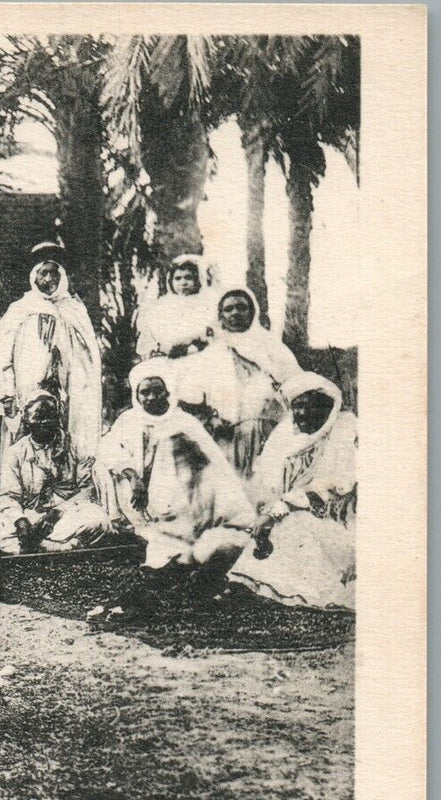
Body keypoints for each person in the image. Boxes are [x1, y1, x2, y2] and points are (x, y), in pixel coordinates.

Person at [93, 360, 255, 618]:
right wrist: (132, 475)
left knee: (174, 545)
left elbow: (212, 465)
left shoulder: (184, 422)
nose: (152, 397)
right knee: (104, 464)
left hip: (179, 497)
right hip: (138, 495)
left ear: (168, 391)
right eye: (144, 392)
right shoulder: (129, 419)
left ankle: (158, 580)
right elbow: (108, 448)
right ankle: (133, 532)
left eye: (158, 390)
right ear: (136, 395)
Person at [229, 373, 356, 610]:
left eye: (310, 407)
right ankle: (253, 583)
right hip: (289, 511)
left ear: (326, 406)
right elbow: (267, 484)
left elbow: (328, 487)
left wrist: (278, 509)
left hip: (338, 522)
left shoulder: (344, 430)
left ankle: (272, 588)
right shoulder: (287, 435)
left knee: (293, 525)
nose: (302, 414)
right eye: (297, 407)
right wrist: (265, 510)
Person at [0, 242, 102, 462]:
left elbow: (88, 359)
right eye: (44, 273)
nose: (50, 279)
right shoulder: (20, 309)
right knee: (25, 444)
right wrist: (6, 392)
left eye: (55, 273)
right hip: (27, 389)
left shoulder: (74, 309)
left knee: (62, 445)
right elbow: (3, 356)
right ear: (34, 276)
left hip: (67, 392)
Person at [172, 287, 296, 477]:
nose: (235, 313)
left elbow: (296, 386)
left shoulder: (273, 348)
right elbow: (190, 397)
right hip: (223, 437)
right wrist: (211, 418)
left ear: (252, 311)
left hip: (267, 434)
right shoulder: (211, 353)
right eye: (228, 309)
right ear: (220, 315)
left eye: (241, 307)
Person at [0, 392, 111, 555]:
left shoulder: (76, 445)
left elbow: (87, 490)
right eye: (38, 417)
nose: (45, 422)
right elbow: (8, 496)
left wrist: (57, 513)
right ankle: (52, 545)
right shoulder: (15, 453)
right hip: (31, 516)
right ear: (26, 420)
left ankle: (46, 547)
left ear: (58, 417)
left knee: (98, 520)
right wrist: (20, 521)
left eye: (51, 416)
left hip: (67, 514)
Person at [135, 254, 213, 360]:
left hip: (198, 356)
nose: (183, 283)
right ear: (171, 281)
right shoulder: (162, 306)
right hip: (167, 357)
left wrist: (194, 348)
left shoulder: (205, 304)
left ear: (197, 280)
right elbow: (150, 337)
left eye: (188, 278)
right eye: (178, 279)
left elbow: (211, 335)